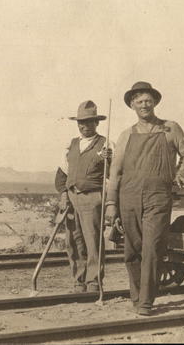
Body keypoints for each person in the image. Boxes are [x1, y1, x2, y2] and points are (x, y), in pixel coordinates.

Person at [105, 81, 184, 316]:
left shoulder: (170, 128)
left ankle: (146, 302)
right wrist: (111, 204)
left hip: (158, 197)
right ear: (132, 105)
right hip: (128, 197)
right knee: (132, 250)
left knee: (153, 248)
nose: (144, 104)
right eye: (139, 101)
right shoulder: (126, 135)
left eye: (148, 100)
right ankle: (136, 297)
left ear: (154, 102)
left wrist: (182, 173)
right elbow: (114, 172)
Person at [55, 100, 112, 293]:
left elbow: (115, 174)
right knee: (73, 241)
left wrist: (110, 160)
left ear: (97, 123)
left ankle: (94, 281)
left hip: (92, 198)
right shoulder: (71, 145)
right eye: (81, 122)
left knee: (93, 240)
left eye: (89, 122)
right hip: (71, 198)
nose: (85, 126)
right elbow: (62, 174)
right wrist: (63, 194)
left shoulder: (106, 144)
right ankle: (79, 280)